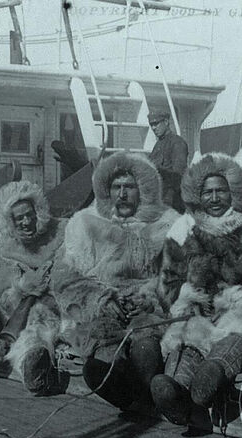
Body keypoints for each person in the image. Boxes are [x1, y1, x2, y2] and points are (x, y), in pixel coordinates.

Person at [151, 152, 242, 426]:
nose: (215, 198)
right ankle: (175, 394)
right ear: (198, 195)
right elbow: (167, 281)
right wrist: (182, 295)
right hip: (200, 316)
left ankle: (211, 378)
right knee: (187, 336)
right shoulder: (185, 228)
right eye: (208, 192)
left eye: (221, 191)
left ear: (234, 192)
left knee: (240, 333)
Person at [51, 151, 179, 409]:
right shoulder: (84, 224)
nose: (122, 194)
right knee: (102, 340)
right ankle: (117, 387)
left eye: (129, 187)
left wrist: (152, 297)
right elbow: (64, 278)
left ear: (142, 189)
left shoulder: (167, 225)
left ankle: (144, 392)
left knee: (147, 337)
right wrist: (98, 299)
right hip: (103, 304)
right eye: (116, 187)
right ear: (106, 190)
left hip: (148, 308)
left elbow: (179, 276)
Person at [0, 180, 68, 395]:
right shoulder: (4, 245)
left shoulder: (62, 230)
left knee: (41, 328)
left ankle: (24, 360)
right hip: (20, 305)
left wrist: (52, 279)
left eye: (30, 214)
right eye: (19, 218)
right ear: (9, 221)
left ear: (38, 211)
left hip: (57, 302)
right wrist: (25, 285)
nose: (27, 221)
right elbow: (5, 290)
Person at [147, 110, 188, 213]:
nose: (153, 128)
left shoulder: (177, 143)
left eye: (156, 124)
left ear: (166, 122)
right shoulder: (158, 145)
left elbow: (178, 176)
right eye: (151, 125)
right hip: (159, 196)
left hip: (172, 200)